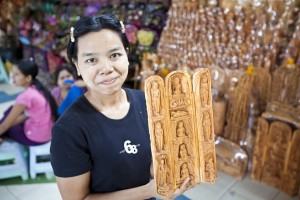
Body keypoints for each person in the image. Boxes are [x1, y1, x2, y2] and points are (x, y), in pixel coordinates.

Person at [50, 14, 190, 200]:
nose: (106, 68)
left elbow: (150, 164)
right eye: (91, 60)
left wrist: (169, 172)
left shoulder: (148, 103)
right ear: (77, 65)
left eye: (114, 55)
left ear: (126, 54)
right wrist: (148, 191)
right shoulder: (68, 131)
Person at [0, 59, 58, 146]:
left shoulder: (25, 97)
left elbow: (5, 125)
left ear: (28, 78)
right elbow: (27, 115)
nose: (12, 77)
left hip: (36, 138)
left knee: (8, 120)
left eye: (16, 74)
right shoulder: (38, 88)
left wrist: (5, 126)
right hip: (48, 134)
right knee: (11, 114)